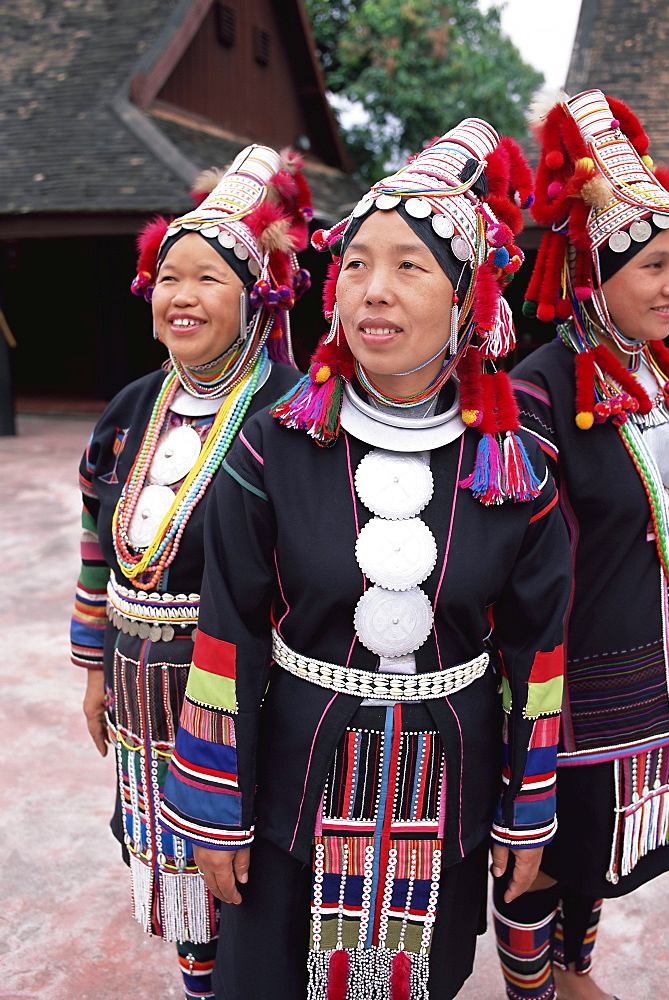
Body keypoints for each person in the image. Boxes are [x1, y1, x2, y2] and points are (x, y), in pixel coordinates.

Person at [160, 119, 573, 1000]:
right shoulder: (270, 451)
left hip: (448, 795)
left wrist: (527, 807)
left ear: (470, 300)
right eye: (355, 265)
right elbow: (225, 632)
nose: (373, 291)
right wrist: (212, 806)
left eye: (410, 267)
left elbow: (537, 655)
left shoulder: (517, 469)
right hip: (290, 798)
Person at [70, 144, 313, 1000]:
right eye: (170, 275)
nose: (182, 295)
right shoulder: (129, 408)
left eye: (208, 278)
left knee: (241, 873)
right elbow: (99, 543)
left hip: (240, 695)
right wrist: (94, 663)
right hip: (139, 685)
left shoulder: (290, 411)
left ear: (253, 295)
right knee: (172, 874)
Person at [492, 90, 669, 1000]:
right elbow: (520, 570)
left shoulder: (649, 379)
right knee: (547, 852)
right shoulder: (540, 395)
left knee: (599, 848)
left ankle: (576, 969)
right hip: (570, 677)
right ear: (595, 270)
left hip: (648, 654)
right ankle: (531, 986)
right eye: (655, 265)